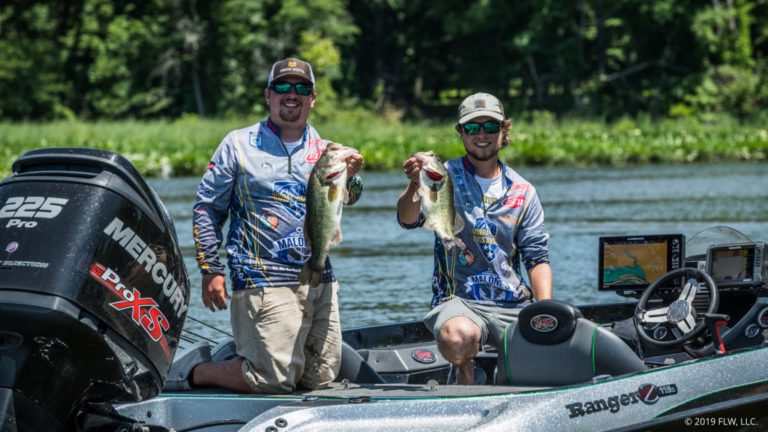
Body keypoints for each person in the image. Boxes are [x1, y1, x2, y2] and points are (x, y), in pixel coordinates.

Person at [171, 58, 364, 394]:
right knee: (271, 378)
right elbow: (206, 208)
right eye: (283, 87)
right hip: (262, 278)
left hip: (319, 278)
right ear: (268, 95)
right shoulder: (238, 144)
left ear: (313, 98)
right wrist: (209, 269)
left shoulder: (328, 150)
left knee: (320, 378)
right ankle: (196, 371)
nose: (292, 94)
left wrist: (355, 175)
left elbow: (348, 199)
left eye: (301, 88)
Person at [396, 92, 552, 385]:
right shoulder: (444, 176)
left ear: (503, 131)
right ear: (462, 133)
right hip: (459, 300)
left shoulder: (523, 190)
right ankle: (465, 376)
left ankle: (508, 378)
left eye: (490, 127)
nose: (481, 135)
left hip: (513, 302)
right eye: (472, 128)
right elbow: (407, 219)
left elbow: (537, 257)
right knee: (457, 338)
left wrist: (546, 312)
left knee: (556, 348)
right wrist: (414, 185)